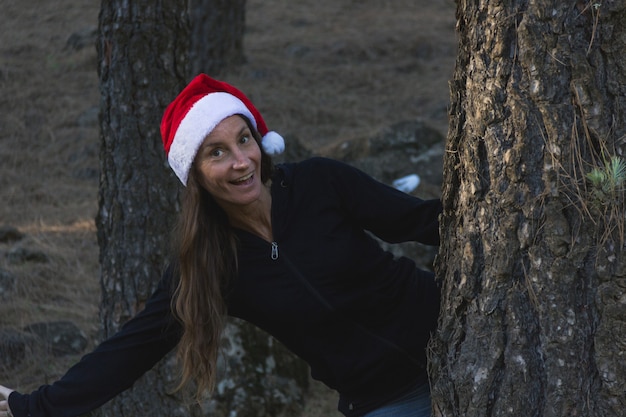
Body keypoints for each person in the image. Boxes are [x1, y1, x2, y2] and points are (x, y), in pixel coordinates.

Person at [0, 74, 442, 417]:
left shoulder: (320, 183)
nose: (240, 161)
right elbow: (129, 350)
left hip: (453, 339)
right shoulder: (211, 264)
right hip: (386, 401)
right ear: (195, 177)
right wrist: (35, 406)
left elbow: (423, 221)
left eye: (243, 140)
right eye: (216, 152)